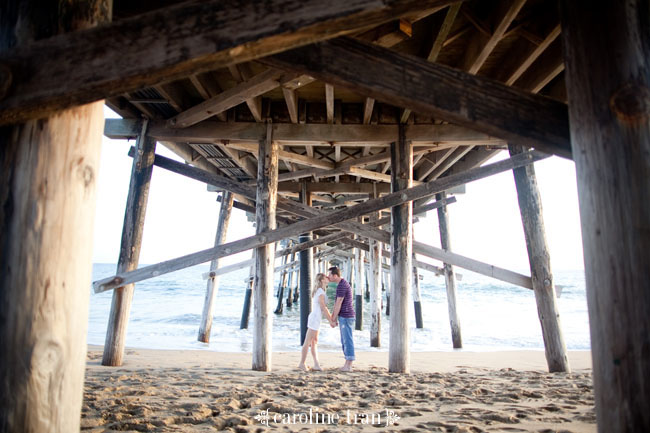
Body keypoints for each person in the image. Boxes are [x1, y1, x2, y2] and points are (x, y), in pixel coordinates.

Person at [298, 273, 332, 372]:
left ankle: (316, 364)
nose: (328, 278)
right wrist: (330, 320)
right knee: (308, 341)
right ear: (322, 280)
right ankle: (302, 363)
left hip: (316, 318)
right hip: (315, 318)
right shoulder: (320, 292)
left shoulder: (320, 290)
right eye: (326, 277)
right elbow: (323, 307)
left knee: (314, 342)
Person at [327, 266, 355, 372]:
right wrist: (334, 318)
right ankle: (347, 364)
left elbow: (338, 303)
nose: (328, 276)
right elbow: (337, 303)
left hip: (346, 316)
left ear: (335, 276)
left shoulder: (342, 286)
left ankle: (348, 365)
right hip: (345, 315)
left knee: (347, 340)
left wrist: (333, 319)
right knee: (345, 340)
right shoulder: (342, 284)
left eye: (329, 275)